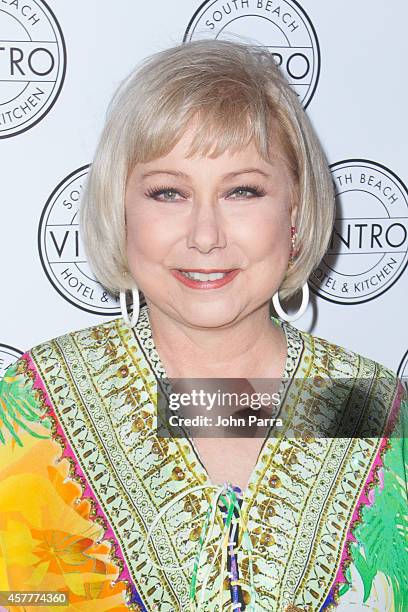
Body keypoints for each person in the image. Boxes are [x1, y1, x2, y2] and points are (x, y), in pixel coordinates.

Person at [0, 39, 406, 612]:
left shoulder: (376, 411)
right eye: (169, 192)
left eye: (242, 191)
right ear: (121, 211)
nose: (206, 235)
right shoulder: (28, 409)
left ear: (294, 212)